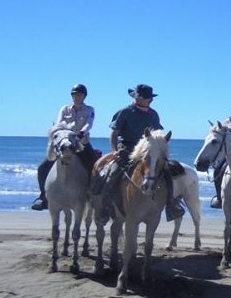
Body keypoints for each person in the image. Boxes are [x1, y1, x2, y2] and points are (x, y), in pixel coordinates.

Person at [97, 84, 185, 223]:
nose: (147, 100)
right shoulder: (125, 112)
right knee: (113, 172)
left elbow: (158, 135)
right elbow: (114, 133)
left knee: (166, 171)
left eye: (148, 98)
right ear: (136, 97)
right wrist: (114, 151)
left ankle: (171, 204)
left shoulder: (153, 115)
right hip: (127, 149)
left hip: (149, 151)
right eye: (143, 97)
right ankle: (105, 208)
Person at [31, 84, 99, 211]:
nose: (77, 97)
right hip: (65, 143)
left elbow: (89, 123)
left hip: (81, 143)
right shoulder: (65, 109)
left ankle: (92, 195)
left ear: (84, 96)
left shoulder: (89, 109)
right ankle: (43, 197)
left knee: (95, 167)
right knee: (42, 168)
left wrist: (82, 133)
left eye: (79, 94)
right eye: (74, 94)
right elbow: (60, 123)